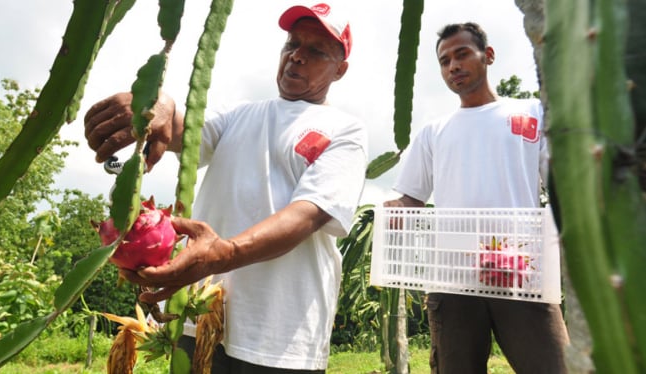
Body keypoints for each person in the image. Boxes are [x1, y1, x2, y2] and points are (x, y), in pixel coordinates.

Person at [83, 3, 367, 373]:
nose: (297, 56)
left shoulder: (344, 131)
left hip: (279, 334)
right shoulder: (239, 116)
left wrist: (223, 253)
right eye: (292, 44)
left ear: (340, 69)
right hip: (197, 314)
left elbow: (308, 215)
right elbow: (184, 131)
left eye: (315, 51)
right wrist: (159, 106)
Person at [384, 22, 569, 374]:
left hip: (522, 274)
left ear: (489, 56)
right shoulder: (432, 132)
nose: (453, 66)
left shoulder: (531, 113)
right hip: (453, 280)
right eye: (444, 60)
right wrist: (396, 209)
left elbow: (561, 187)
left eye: (462, 54)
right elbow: (411, 199)